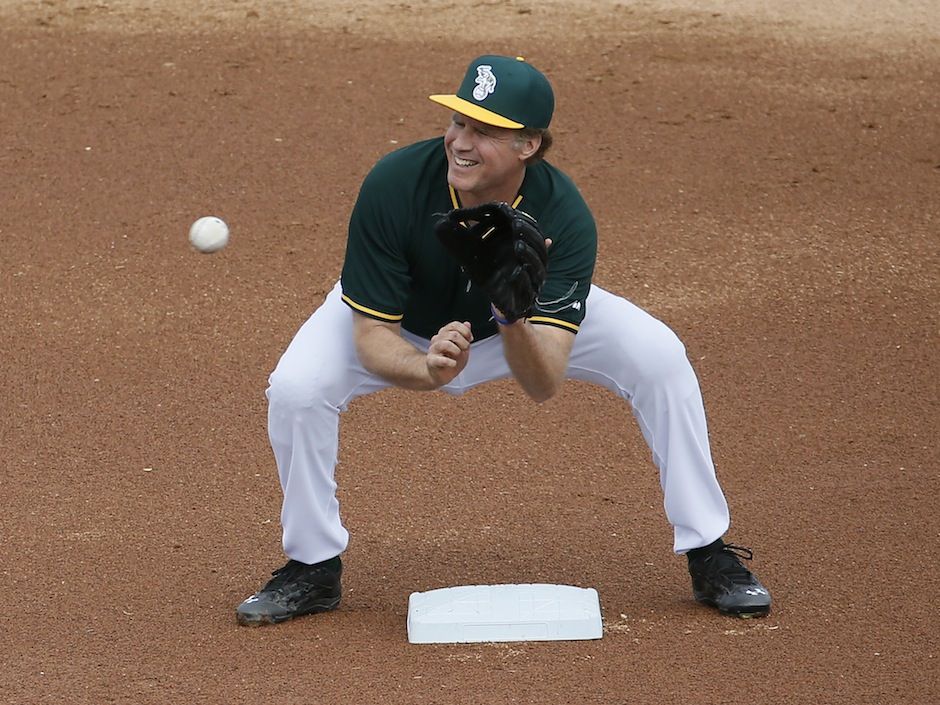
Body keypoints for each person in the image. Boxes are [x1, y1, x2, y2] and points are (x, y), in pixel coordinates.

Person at [235, 54, 772, 626]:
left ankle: (708, 550)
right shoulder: (395, 184)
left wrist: (510, 314)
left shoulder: (563, 217)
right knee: (296, 388)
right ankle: (312, 566)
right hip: (405, 330)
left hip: (516, 330)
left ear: (528, 146)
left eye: (484, 131)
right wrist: (426, 369)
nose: (461, 142)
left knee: (659, 357)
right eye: (458, 122)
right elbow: (370, 334)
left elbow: (542, 382)